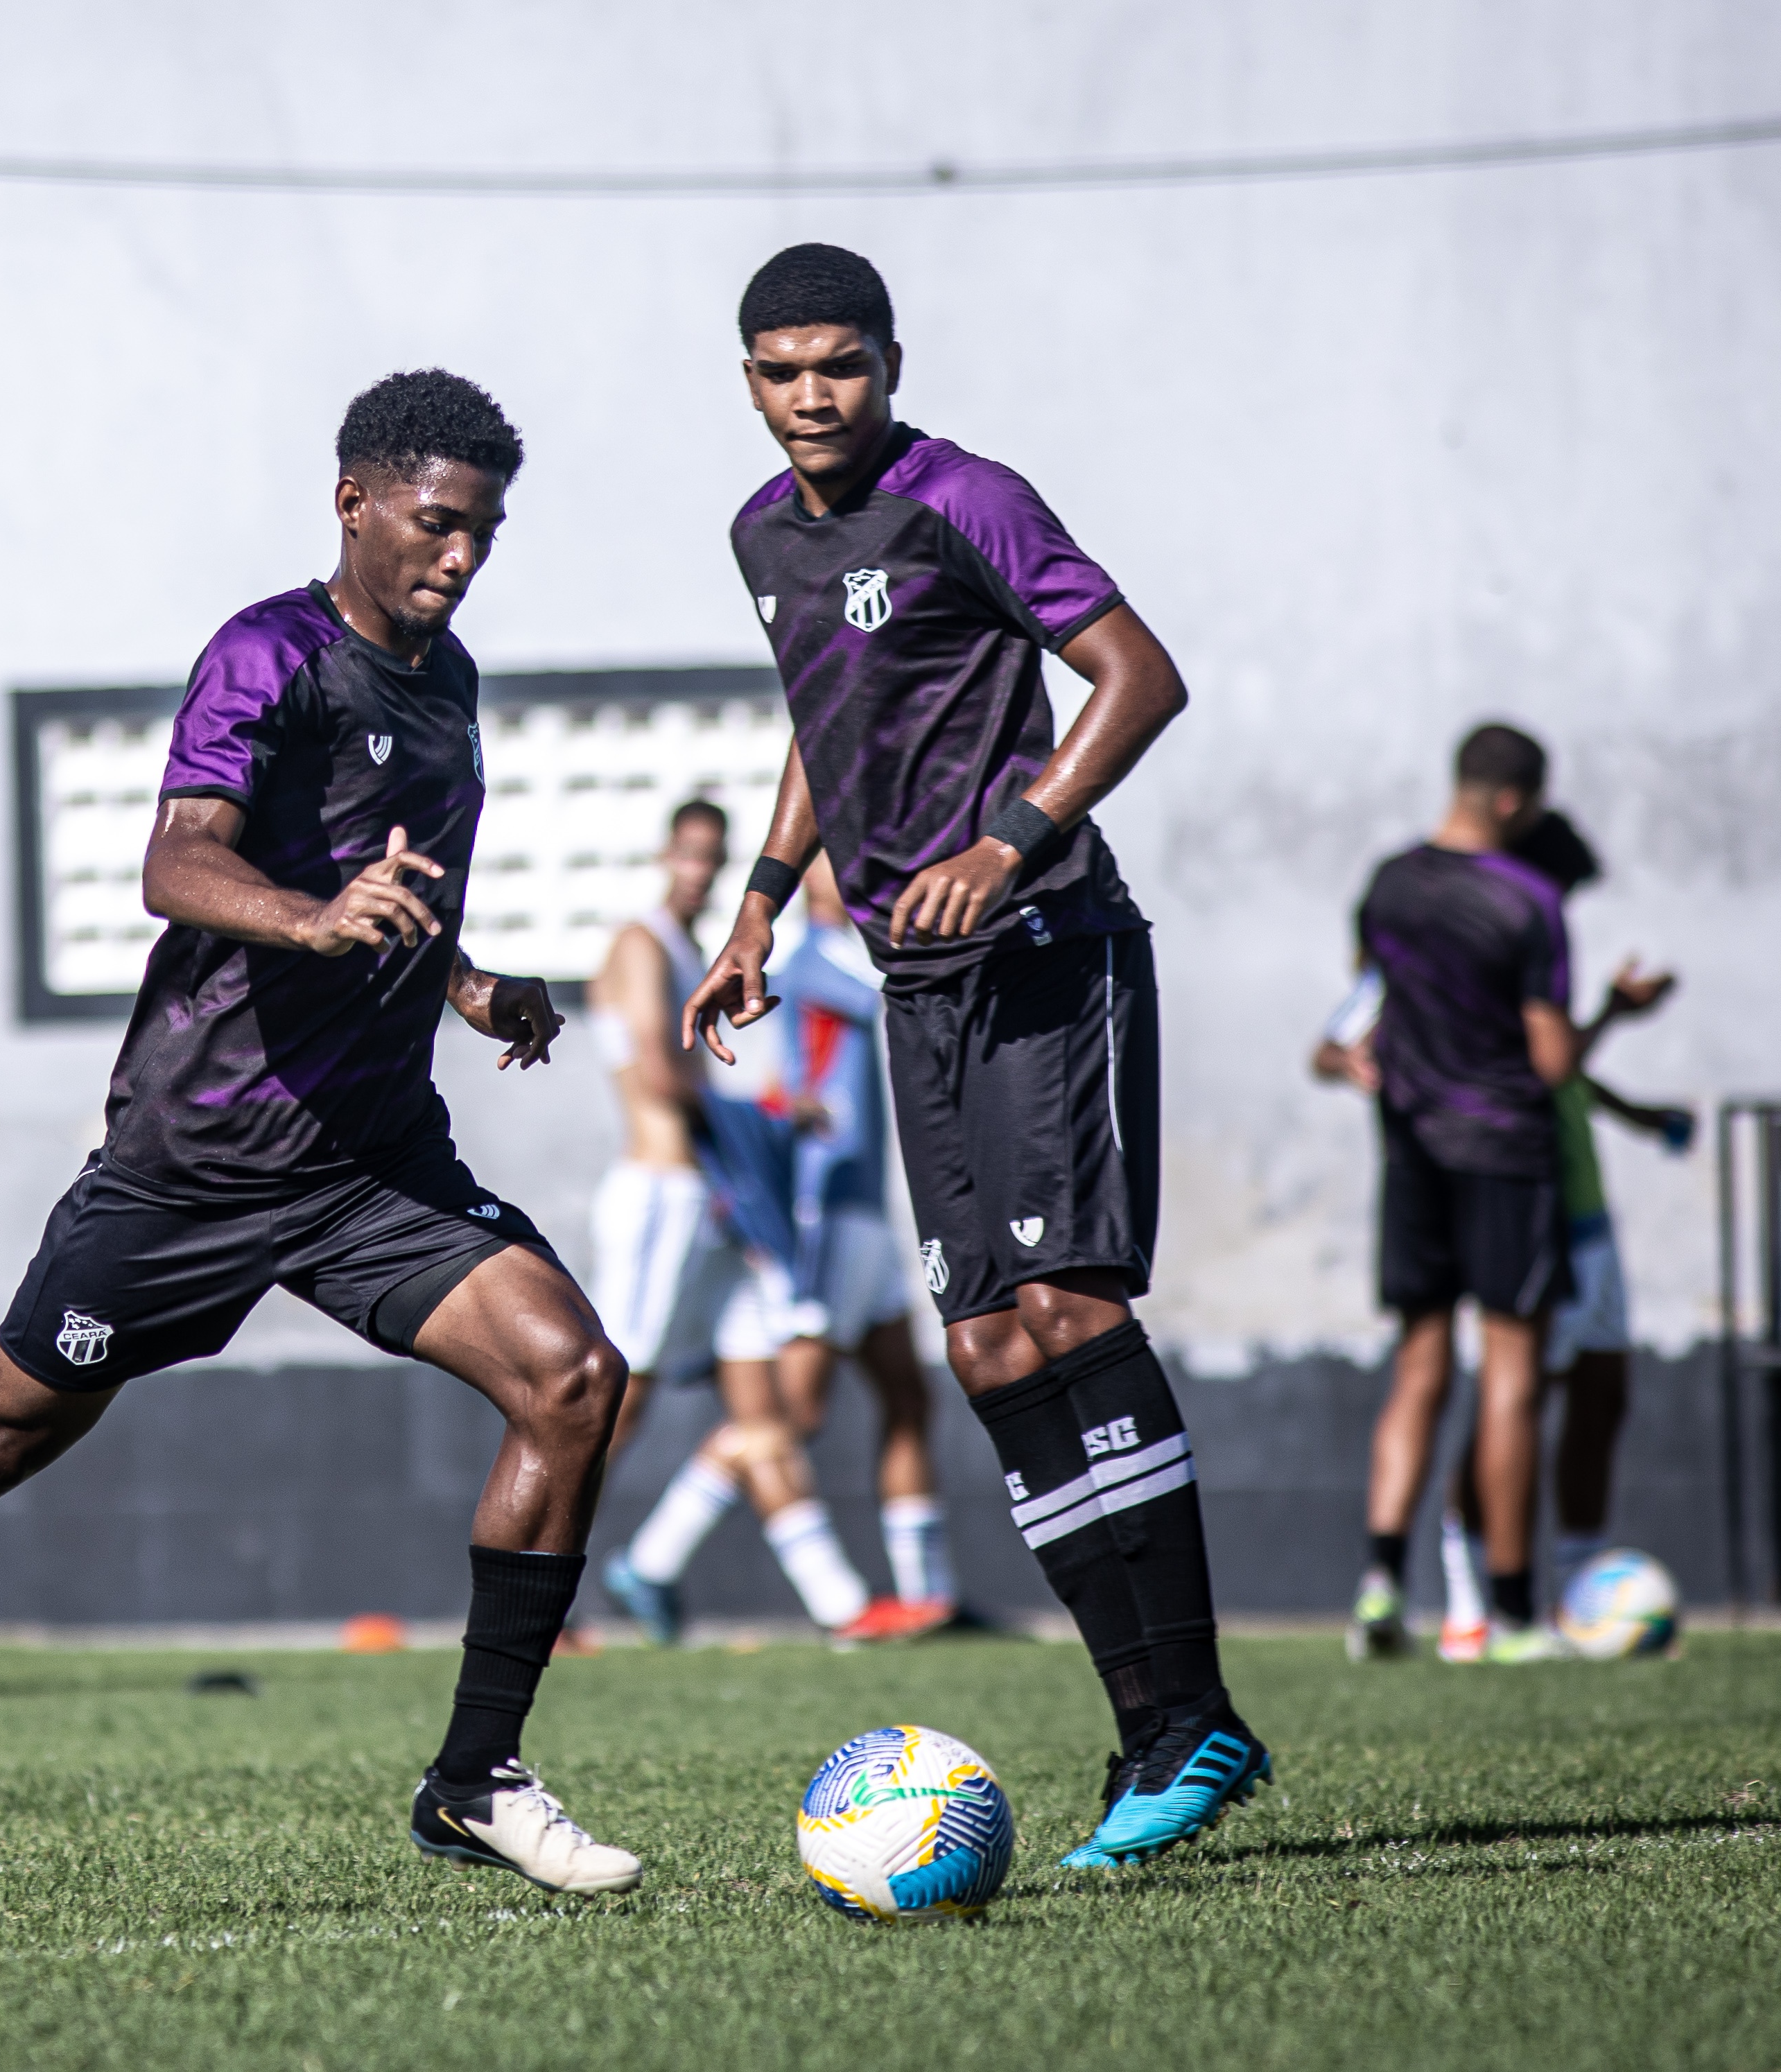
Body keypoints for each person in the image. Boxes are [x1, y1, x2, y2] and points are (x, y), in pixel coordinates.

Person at [0, 369, 644, 1896]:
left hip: (370, 1166)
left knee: (576, 1379)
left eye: (485, 532)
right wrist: (311, 918)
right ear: (355, 500)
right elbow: (174, 863)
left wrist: (464, 978)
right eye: (437, 522)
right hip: (191, 1162)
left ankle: (475, 1777)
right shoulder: (265, 655)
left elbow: (395, 879)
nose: (461, 557)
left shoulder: (449, 679)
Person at [683, 243, 1255, 1869]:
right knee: (988, 1354)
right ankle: (1148, 1726)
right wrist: (757, 910)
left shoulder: (967, 498)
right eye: (784, 371)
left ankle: (1188, 1716)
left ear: (888, 364)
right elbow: (825, 719)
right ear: (748, 382)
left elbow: (1139, 678)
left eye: (840, 366)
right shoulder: (757, 538)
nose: (814, 396)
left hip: (1043, 948)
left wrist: (1007, 844)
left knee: (1069, 1306)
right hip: (910, 983)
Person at [1321, 794, 1680, 1661]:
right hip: (1510, 1168)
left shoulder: (1401, 907)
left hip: (1415, 1159)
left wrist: (1355, 1060)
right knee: (1512, 1382)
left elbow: (1336, 1034)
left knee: (1424, 1370)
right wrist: (1615, 1017)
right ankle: (1509, 1612)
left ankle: (1382, 1586)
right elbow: (1553, 1064)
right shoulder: (1524, 916)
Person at [590, 804, 896, 1649]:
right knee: (620, 1399)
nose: (699, 871)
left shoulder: (696, 950)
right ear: (663, 855)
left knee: (769, 1402)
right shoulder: (641, 943)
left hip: (715, 1206)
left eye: (712, 858)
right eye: (687, 855)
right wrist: (770, 1112)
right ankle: (542, 1592)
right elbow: (659, 1073)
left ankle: (837, 1603)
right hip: (661, 1195)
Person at [771, 855, 959, 1636]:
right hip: (830, 1205)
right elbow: (898, 998)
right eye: (824, 860)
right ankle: (654, 1560)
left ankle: (929, 1597)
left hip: (870, 1208)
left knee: (908, 1399)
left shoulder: (851, 955)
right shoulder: (811, 961)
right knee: (789, 1415)